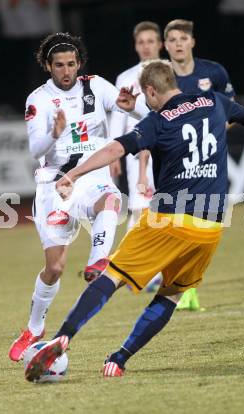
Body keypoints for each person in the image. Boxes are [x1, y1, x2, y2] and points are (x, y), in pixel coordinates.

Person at [24, 59, 244, 381]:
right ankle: (120, 358)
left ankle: (63, 337)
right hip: (210, 228)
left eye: (146, 96)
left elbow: (115, 149)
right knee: (172, 295)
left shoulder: (159, 120)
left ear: (151, 91)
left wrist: (74, 172)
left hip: (168, 221)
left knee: (111, 276)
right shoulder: (214, 102)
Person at [8, 32, 144, 362]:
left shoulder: (97, 86)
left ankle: (99, 260)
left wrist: (134, 109)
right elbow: (34, 150)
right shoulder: (38, 99)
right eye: (59, 65)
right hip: (54, 184)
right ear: (48, 66)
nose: (66, 71)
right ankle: (34, 328)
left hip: (91, 177)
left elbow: (138, 111)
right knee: (54, 267)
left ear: (79, 64)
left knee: (111, 201)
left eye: (71, 64)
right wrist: (53, 134)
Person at [152, 18, 236, 310]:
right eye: (172, 40)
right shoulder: (160, 76)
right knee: (173, 227)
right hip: (172, 161)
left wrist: (214, 131)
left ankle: (185, 284)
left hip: (206, 161)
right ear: (165, 45)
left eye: (182, 39)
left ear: (192, 42)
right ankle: (178, 287)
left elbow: (230, 110)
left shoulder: (213, 72)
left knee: (204, 227)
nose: (177, 44)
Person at [109, 21, 163, 292]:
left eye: (151, 41)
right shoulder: (125, 78)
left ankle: (146, 268)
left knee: (166, 210)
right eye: (141, 42)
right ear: (136, 46)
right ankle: (133, 268)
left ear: (159, 44)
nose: (146, 46)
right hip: (136, 152)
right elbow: (119, 118)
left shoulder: (170, 72)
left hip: (167, 150)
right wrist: (114, 156)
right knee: (140, 209)